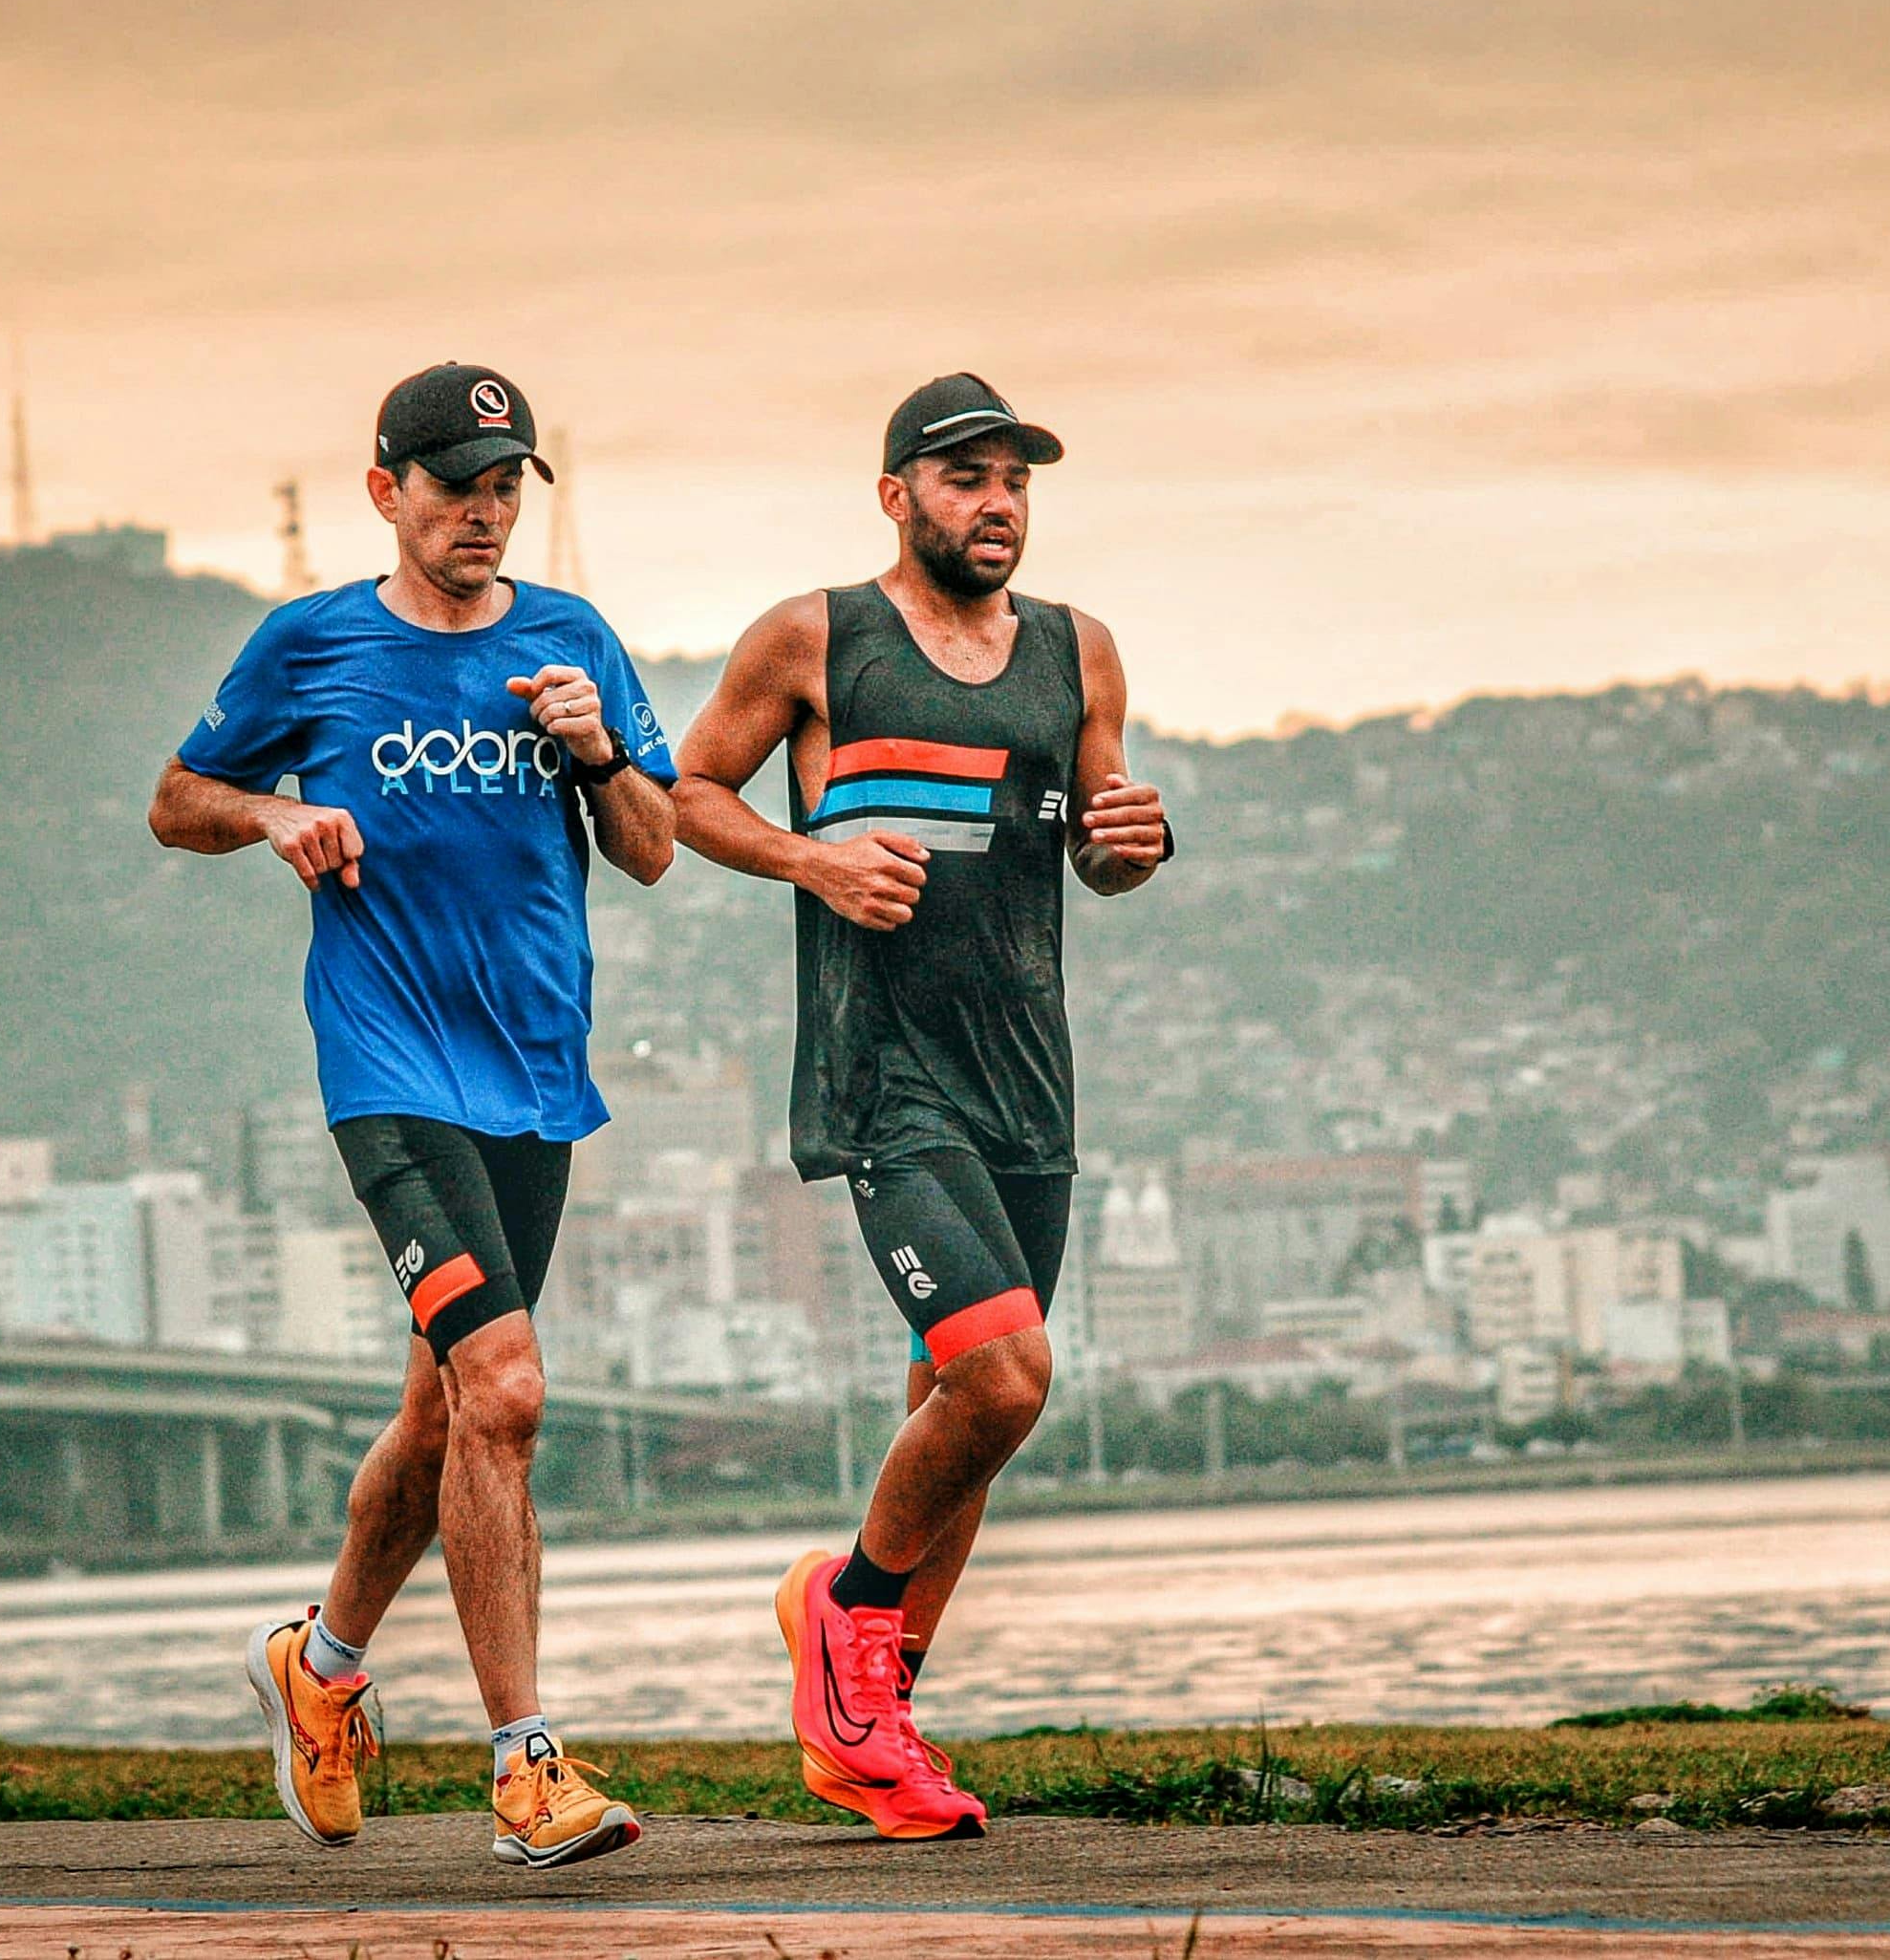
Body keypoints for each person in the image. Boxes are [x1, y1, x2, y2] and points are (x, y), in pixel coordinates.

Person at [149, 362, 676, 1870]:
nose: (484, 516)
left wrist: (592, 751)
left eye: (506, 489)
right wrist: (273, 814)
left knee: (439, 1410)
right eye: (456, 489)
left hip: (534, 1079)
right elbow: (178, 795)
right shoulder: (310, 644)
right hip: (388, 1074)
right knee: (504, 1390)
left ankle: (316, 1670)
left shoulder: (573, 642)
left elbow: (646, 849)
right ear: (387, 493)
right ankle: (524, 1771)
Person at [670, 372, 1170, 1840]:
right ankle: (846, 1615)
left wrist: (1130, 844)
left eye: (1014, 477)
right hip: (884, 1078)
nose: (996, 501)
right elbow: (690, 791)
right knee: (1007, 1377)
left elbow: (1092, 840)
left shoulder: (1079, 652)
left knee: (958, 1412)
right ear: (896, 496)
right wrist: (812, 861)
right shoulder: (818, 636)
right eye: (964, 477)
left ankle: (872, 1729)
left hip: (1028, 1081)